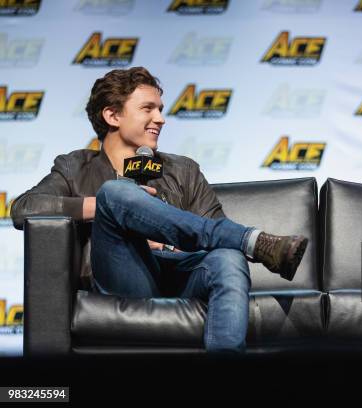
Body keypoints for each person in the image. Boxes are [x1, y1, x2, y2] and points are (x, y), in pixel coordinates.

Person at [11, 67, 309, 353]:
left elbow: (216, 235)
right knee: (114, 192)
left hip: (180, 271)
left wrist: (168, 236)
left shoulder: (183, 170)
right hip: (124, 273)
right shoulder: (75, 166)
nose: (161, 119)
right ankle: (254, 241)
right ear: (112, 115)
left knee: (229, 256)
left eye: (161, 109)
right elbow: (24, 208)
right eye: (148, 109)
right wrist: (101, 206)